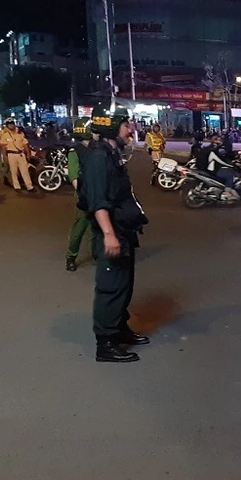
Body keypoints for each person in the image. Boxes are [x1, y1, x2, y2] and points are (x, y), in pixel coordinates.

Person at [78, 104, 149, 363]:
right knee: (110, 287)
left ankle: (119, 329)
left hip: (123, 230)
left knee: (123, 285)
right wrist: (108, 233)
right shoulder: (98, 157)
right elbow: (98, 201)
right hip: (112, 231)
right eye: (125, 124)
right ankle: (106, 343)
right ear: (110, 126)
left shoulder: (111, 153)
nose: (130, 129)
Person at [66, 130, 99, 272]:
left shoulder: (98, 148)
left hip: (98, 193)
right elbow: (73, 175)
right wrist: (82, 193)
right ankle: (71, 256)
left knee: (96, 227)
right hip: (84, 194)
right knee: (80, 227)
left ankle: (96, 254)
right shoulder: (76, 151)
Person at [0, 118, 35, 192]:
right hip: (11, 154)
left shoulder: (20, 133)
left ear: (14, 124)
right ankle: (17, 186)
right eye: (9, 125)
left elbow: (25, 144)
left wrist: (28, 154)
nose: (11, 126)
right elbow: (3, 147)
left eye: (12, 124)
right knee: (13, 171)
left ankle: (29, 186)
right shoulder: (5, 135)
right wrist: (5, 156)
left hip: (20, 154)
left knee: (25, 171)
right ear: (7, 126)